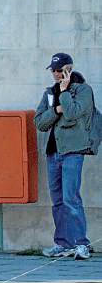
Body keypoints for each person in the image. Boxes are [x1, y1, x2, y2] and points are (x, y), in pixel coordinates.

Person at [36, 53, 96, 260]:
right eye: (53, 70)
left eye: (60, 69)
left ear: (69, 69)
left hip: (72, 152)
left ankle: (81, 244)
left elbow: (72, 113)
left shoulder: (83, 91)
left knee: (71, 199)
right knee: (58, 201)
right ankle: (63, 243)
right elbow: (40, 122)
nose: (55, 73)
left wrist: (63, 93)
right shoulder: (49, 93)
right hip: (53, 153)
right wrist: (57, 109)